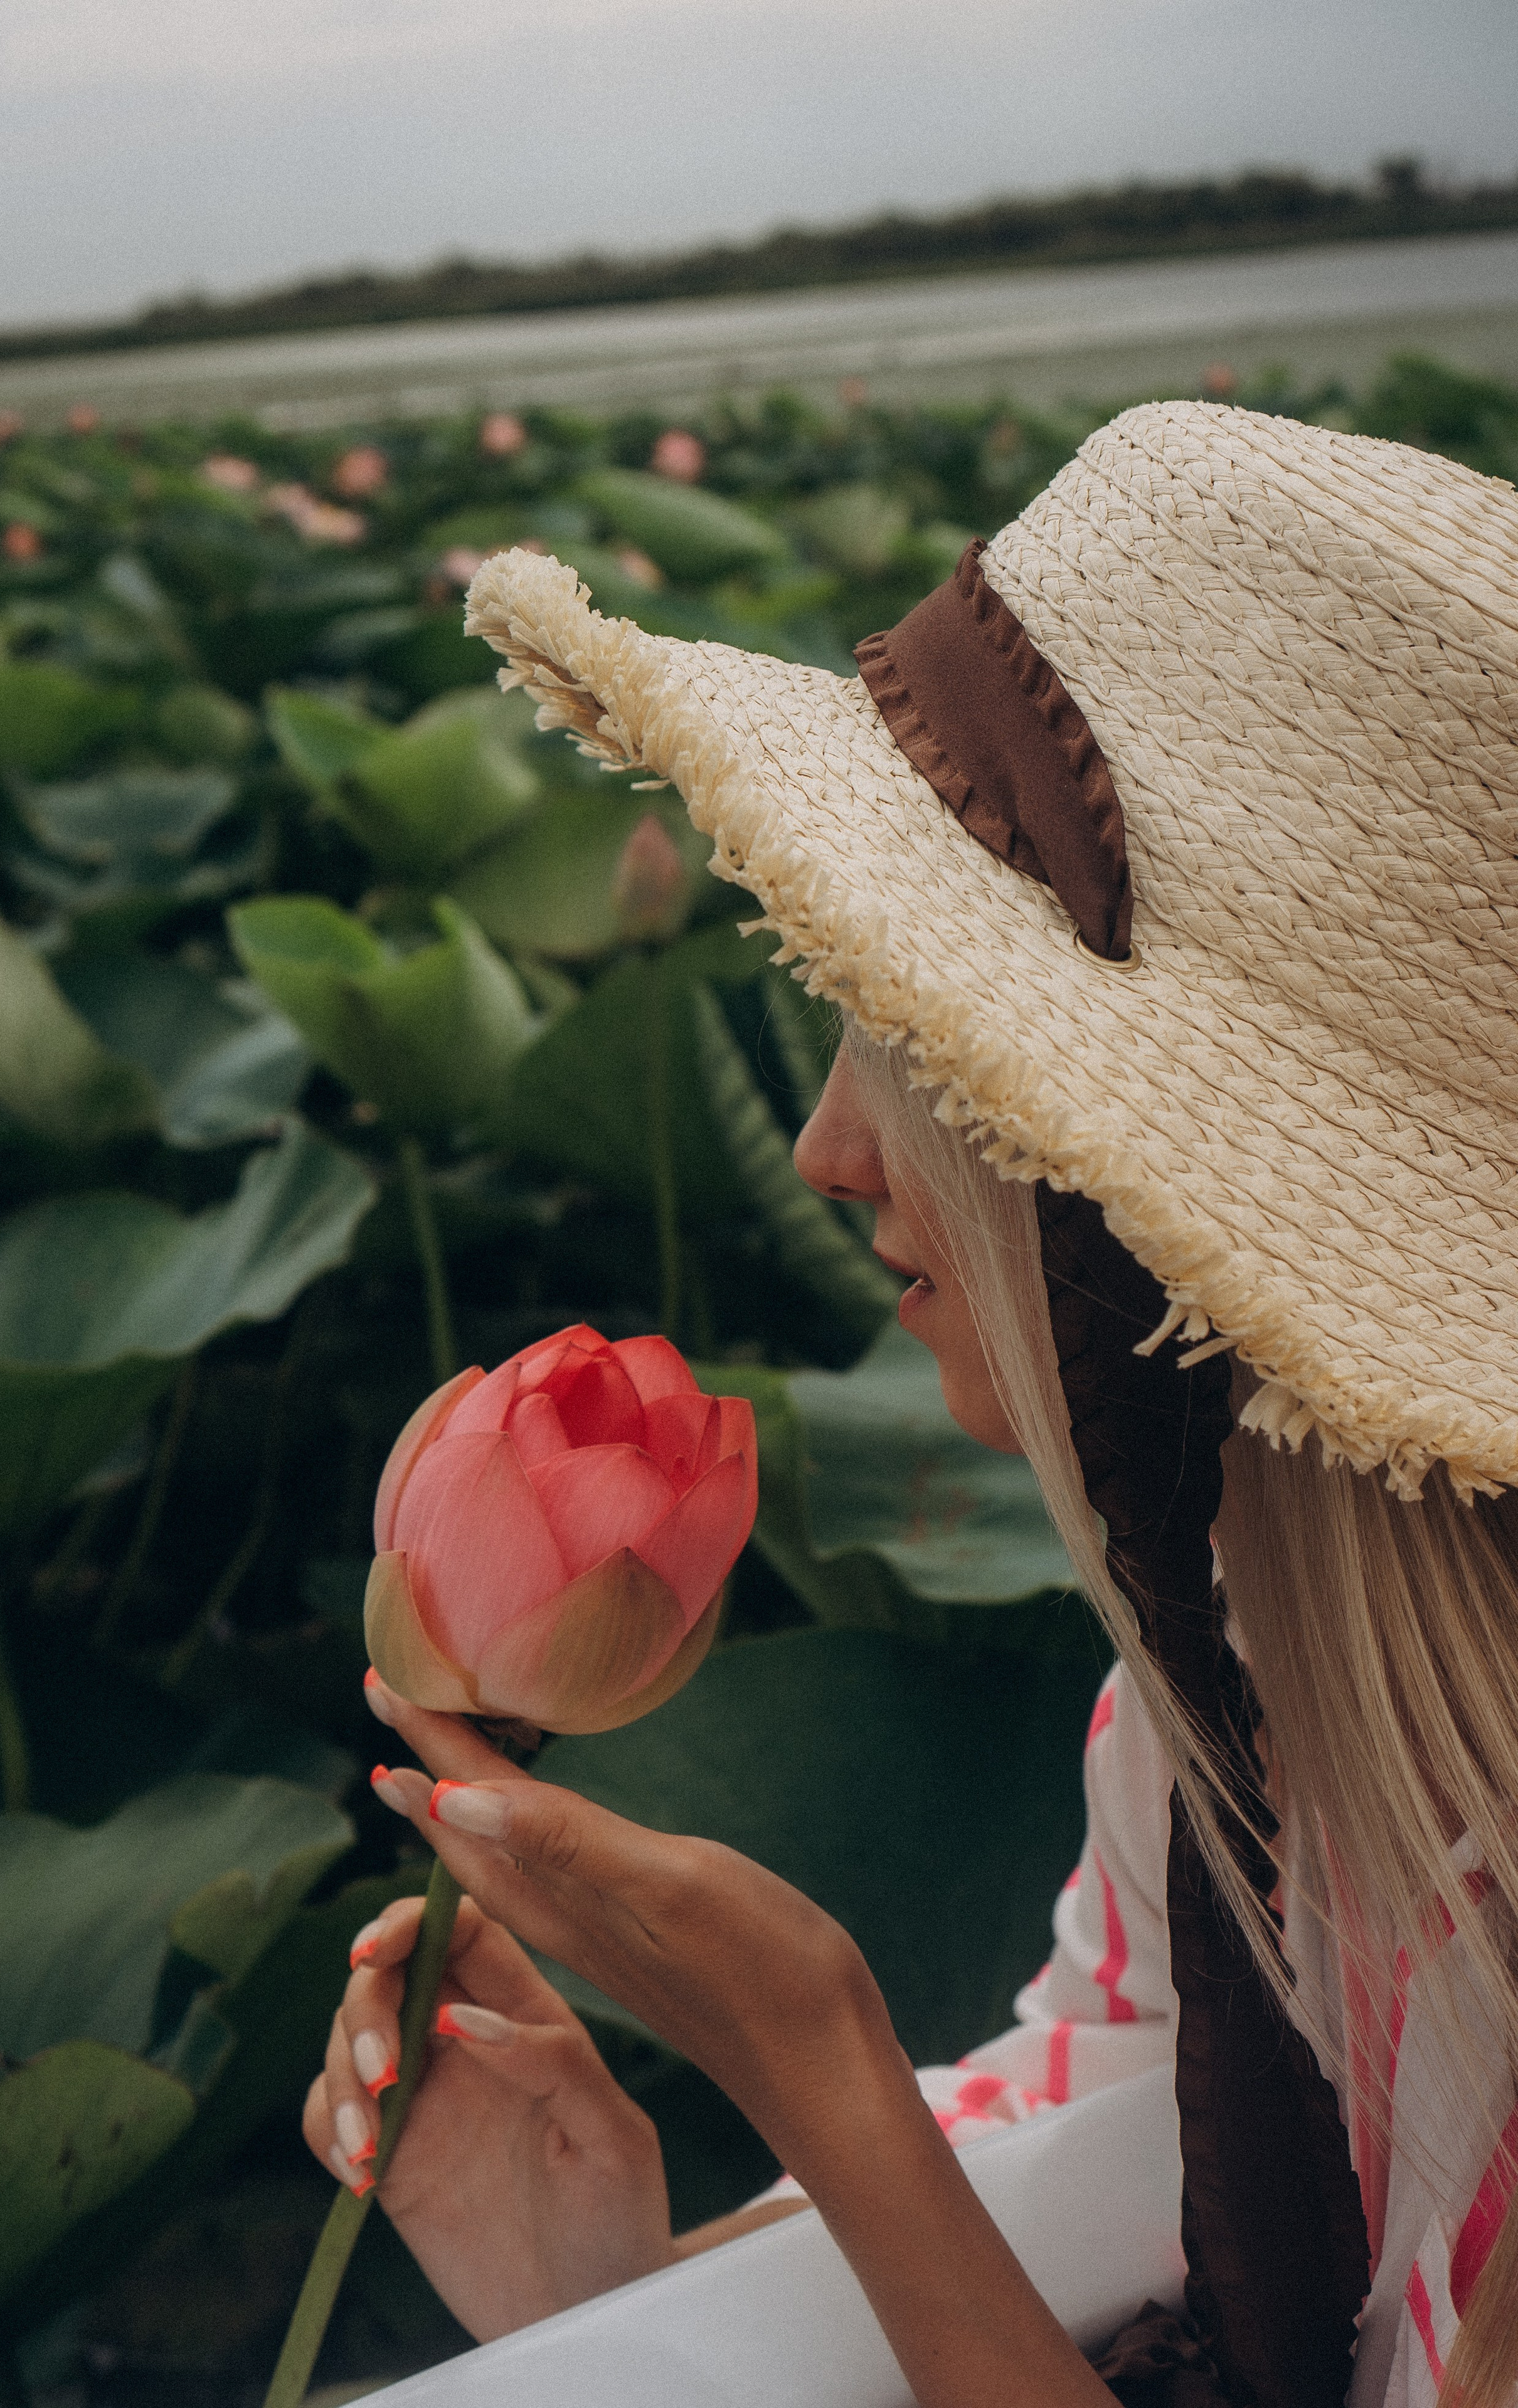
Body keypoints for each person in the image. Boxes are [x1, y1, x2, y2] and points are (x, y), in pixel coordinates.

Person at [305, 402, 1518, 2407]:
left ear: (1173, 1175)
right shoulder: (1214, 1702)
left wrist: (808, 2061)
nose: (823, 1149)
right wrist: (613, 2271)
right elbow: (1084, 2176)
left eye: (930, 1047)